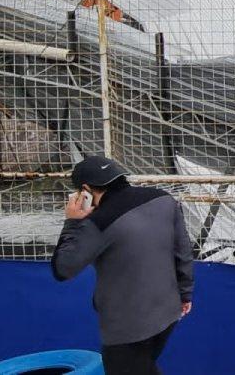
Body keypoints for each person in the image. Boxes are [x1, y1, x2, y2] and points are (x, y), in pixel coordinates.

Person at [52, 156, 194, 375]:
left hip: (126, 328)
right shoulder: (164, 199)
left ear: (86, 190)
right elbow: (182, 250)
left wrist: (72, 222)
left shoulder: (99, 222)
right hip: (168, 312)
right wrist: (185, 294)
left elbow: (63, 268)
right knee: (143, 366)